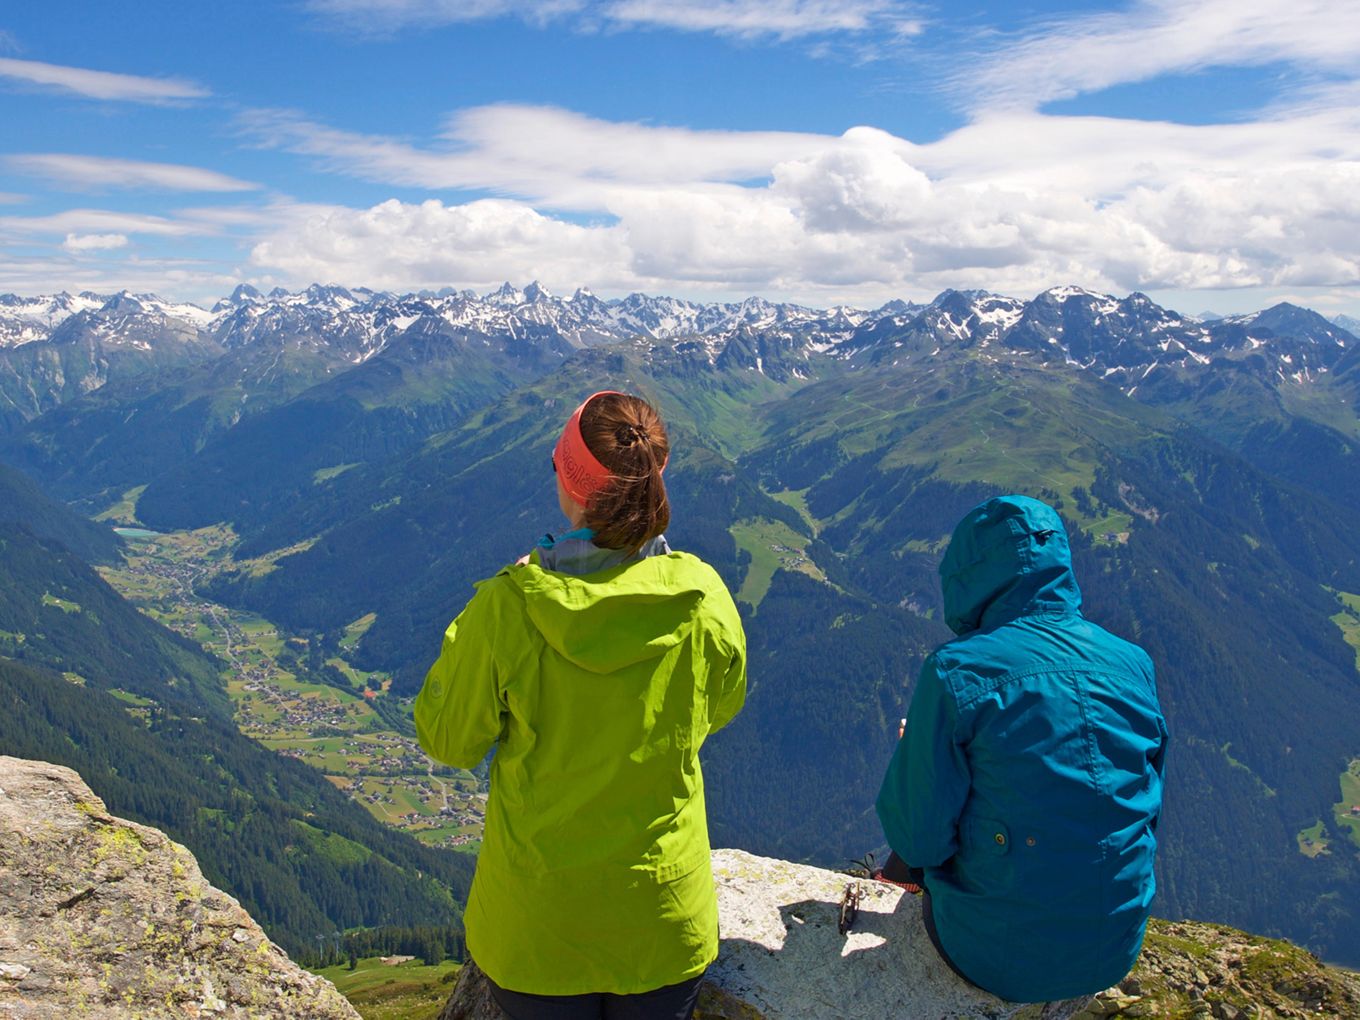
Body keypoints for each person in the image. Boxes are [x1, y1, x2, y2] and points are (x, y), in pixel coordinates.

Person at [414, 390, 747, 1020]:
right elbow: (719, 707)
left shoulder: (513, 607)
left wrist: (485, 616)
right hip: (661, 923)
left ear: (572, 486)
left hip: (539, 932)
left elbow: (447, 738)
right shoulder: (703, 597)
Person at [875, 495, 1168, 1003]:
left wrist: (917, 758)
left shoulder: (956, 670)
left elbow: (919, 841)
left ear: (967, 575)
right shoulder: (1133, 664)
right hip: (1117, 948)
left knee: (930, 817)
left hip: (992, 957)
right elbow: (1144, 801)